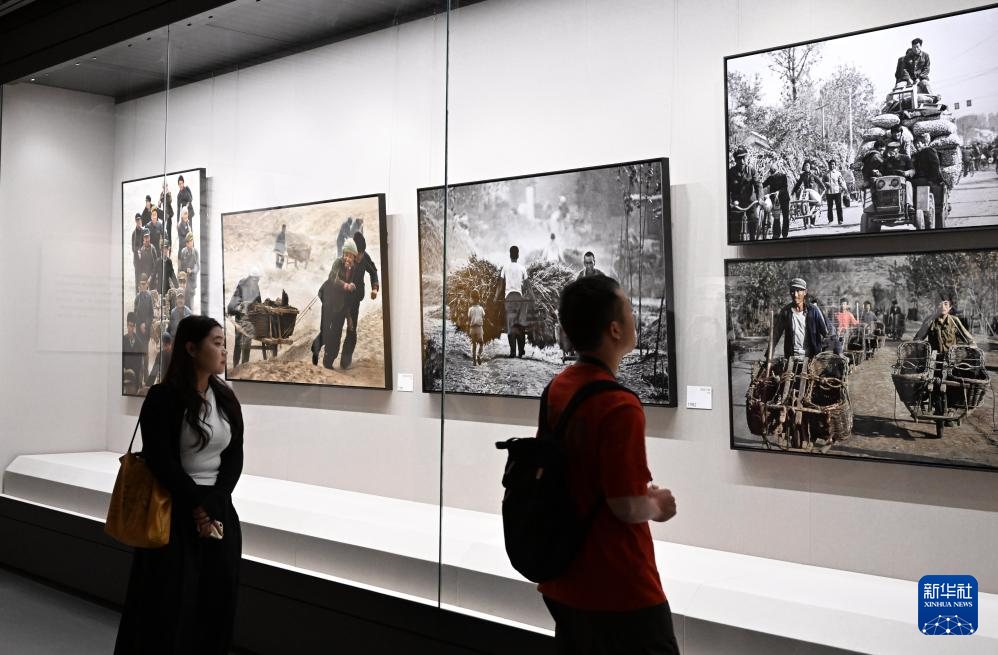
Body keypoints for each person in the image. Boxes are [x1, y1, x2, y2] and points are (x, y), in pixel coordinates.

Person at [539, 274, 679, 655]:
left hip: (565, 578)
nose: (635, 316)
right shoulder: (620, 406)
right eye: (629, 309)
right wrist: (658, 504)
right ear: (615, 329)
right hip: (619, 586)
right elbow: (625, 505)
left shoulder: (558, 388)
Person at [114, 315, 244, 655]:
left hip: (217, 511)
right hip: (172, 511)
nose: (224, 350)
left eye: (223, 343)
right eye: (217, 343)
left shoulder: (226, 398)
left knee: (216, 602)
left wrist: (214, 502)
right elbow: (160, 460)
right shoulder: (163, 397)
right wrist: (196, 505)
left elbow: (234, 456)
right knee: (171, 607)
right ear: (191, 348)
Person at [914, 299, 975, 424]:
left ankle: (951, 408)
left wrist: (973, 346)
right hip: (934, 360)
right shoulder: (930, 320)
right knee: (929, 383)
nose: (943, 306)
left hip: (951, 360)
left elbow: (968, 337)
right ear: (936, 307)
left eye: (946, 304)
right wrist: (918, 347)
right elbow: (918, 337)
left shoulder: (954, 321)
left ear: (950, 308)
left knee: (957, 383)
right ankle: (934, 406)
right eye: (940, 304)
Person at [315, 240, 358, 369]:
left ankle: (328, 361)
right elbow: (333, 278)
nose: (348, 258)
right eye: (346, 255)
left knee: (337, 334)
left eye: (351, 256)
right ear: (343, 254)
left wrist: (348, 316)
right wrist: (346, 286)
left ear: (354, 258)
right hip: (329, 302)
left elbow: (349, 294)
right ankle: (317, 351)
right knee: (326, 331)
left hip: (341, 306)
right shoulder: (338, 263)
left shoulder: (353, 269)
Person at [771, 278, 830, 359]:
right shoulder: (786, 312)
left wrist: (825, 353)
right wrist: (769, 355)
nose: (795, 295)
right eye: (792, 291)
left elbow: (826, 334)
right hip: (791, 357)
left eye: (798, 291)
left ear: (805, 292)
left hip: (811, 358)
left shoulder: (813, 311)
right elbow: (775, 336)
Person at [495, 245, 529, 358]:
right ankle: (521, 351)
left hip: (509, 298)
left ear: (510, 255)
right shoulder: (522, 268)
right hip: (519, 298)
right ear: (518, 255)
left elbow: (500, 286)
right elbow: (527, 285)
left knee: (511, 324)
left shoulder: (505, 268)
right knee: (520, 324)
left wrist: (495, 297)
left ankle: (513, 352)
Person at [226, 269, 262, 368]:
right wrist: (240, 309)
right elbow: (235, 299)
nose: (257, 281)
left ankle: (244, 364)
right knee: (238, 342)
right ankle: (235, 365)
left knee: (247, 342)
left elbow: (259, 301)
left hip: (250, 317)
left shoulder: (256, 286)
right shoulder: (242, 284)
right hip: (240, 316)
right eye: (256, 279)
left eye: (257, 279)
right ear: (251, 278)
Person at [727, 146, 763, 241]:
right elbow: (727, 189)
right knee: (734, 229)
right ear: (735, 160)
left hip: (750, 202)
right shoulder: (730, 172)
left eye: (744, 158)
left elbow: (758, 185)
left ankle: (753, 240)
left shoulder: (752, 170)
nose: (742, 161)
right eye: (739, 159)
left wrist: (760, 198)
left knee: (754, 220)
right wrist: (728, 202)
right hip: (736, 204)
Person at [912, 133, 945, 228]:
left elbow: (935, 165)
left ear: (924, 143)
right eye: (915, 144)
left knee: (919, 185)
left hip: (928, 179)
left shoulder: (928, 151)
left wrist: (932, 180)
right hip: (920, 179)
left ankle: (924, 213)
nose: (917, 145)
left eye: (919, 143)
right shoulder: (916, 155)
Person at [791, 161, 825, 226]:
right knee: (804, 205)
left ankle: (812, 222)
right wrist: (794, 191)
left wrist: (823, 187)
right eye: (805, 166)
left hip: (813, 192)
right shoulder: (803, 175)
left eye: (808, 166)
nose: (807, 167)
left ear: (810, 167)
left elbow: (819, 181)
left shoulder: (813, 175)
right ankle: (806, 222)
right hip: (806, 191)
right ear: (804, 167)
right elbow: (798, 183)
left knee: (813, 206)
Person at [762, 167, 791, 239]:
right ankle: (776, 234)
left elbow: (785, 187)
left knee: (785, 216)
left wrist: (779, 192)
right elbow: (763, 185)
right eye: (772, 173)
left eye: (774, 173)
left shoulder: (783, 176)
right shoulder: (770, 178)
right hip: (775, 199)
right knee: (776, 216)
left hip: (784, 198)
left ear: (777, 171)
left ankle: (785, 234)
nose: (773, 174)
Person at [122, 312, 147, 393]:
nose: (131, 329)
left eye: (133, 326)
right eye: (130, 325)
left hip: (135, 379)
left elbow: (141, 364)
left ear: (135, 327)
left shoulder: (139, 343)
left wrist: (140, 380)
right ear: (127, 325)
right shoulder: (122, 340)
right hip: (125, 377)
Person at [179, 232, 200, 310]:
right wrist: (184, 271)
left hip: (192, 281)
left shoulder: (195, 252)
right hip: (185, 282)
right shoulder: (183, 252)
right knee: (184, 304)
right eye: (190, 242)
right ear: (187, 243)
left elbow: (197, 266)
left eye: (192, 241)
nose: (192, 243)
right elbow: (181, 267)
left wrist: (192, 271)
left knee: (191, 306)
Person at [824, 160, 846, 225]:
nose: (832, 165)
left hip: (837, 191)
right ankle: (830, 220)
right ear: (828, 165)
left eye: (833, 164)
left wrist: (844, 188)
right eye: (830, 164)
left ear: (835, 165)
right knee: (829, 207)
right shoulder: (825, 174)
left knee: (839, 206)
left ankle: (840, 220)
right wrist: (825, 183)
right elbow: (822, 181)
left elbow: (841, 181)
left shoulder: (838, 173)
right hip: (829, 192)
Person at [134, 274, 155, 341]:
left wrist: (145, 324)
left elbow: (151, 313)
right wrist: (141, 324)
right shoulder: (137, 298)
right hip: (139, 330)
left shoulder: (149, 297)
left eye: (144, 284)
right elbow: (135, 314)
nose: (142, 286)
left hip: (147, 329)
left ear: (147, 284)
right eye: (141, 284)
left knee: (146, 346)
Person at [468, 290, 485, 366]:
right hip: (479, 328)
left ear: (471, 299)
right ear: (479, 299)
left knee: (474, 344)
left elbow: (469, 318)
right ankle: (479, 355)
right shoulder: (481, 308)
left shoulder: (470, 309)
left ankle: (474, 361)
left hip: (472, 328)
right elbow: (483, 316)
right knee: (481, 343)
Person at [130, 214, 145, 289]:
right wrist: (138, 250)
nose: (139, 222)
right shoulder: (134, 234)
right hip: (136, 259)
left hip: (143, 259)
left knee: (143, 277)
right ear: (135, 221)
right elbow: (133, 248)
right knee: (137, 278)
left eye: (140, 220)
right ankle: (137, 291)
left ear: (141, 221)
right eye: (137, 220)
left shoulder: (144, 232)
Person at [159, 181, 174, 246]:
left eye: (166, 186)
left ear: (167, 186)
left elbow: (169, 201)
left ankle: (170, 246)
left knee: (168, 231)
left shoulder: (169, 193)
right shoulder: (161, 194)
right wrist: (159, 203)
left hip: (169, 215)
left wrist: (162, 198)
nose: (164, 188)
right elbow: (159, 205)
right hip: (164, 215)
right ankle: (163, 245)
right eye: (163, 187)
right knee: (162, 229)